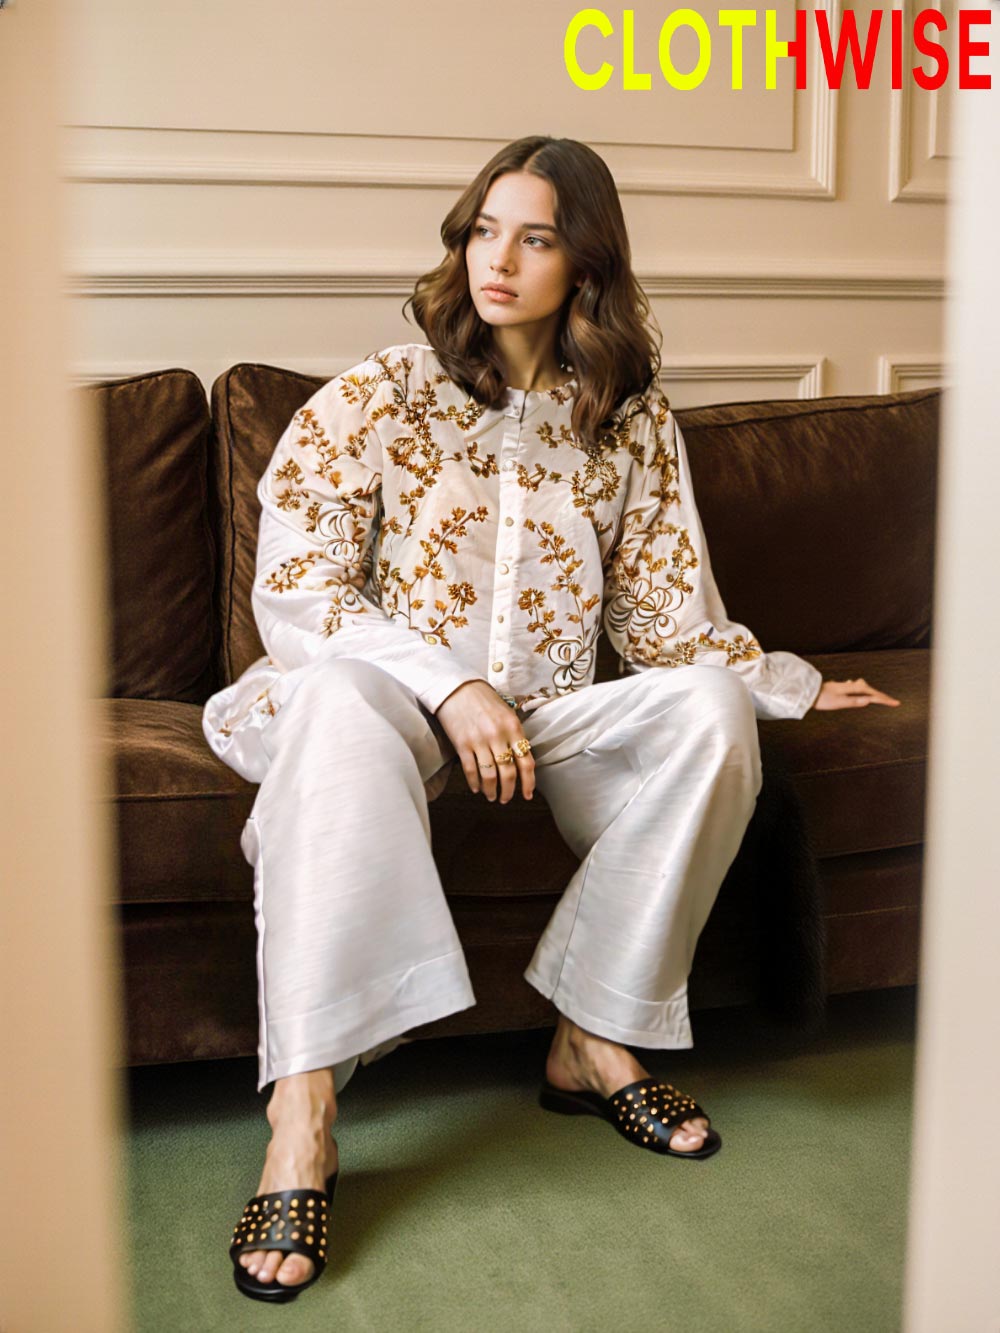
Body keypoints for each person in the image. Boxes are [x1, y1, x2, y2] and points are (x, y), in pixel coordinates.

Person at [203, 134, 901, 1303]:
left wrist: (784, 682)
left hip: (553, 716)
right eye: (485, 229)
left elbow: (671, 614)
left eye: (534, 237)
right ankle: (304, 1114)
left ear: (585, 263)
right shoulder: (383, 391)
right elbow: (302, 586)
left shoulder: (628, 423)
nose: (500, 258)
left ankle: (591, 1030)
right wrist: (450, 685)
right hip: (378, 702)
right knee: (334, 699)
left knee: (714, 710)